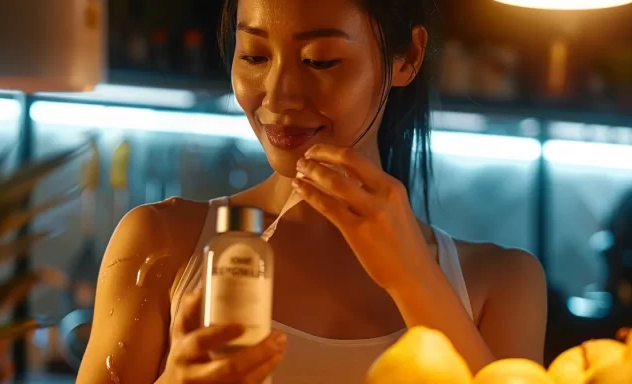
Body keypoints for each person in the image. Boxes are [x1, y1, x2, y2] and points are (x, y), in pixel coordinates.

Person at [76, 0, 548, 382]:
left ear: (407, 58)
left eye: (320, 60)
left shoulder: (501, 284)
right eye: (254, 56)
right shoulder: (161, 245)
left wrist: (413, 277)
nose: (279, 95)